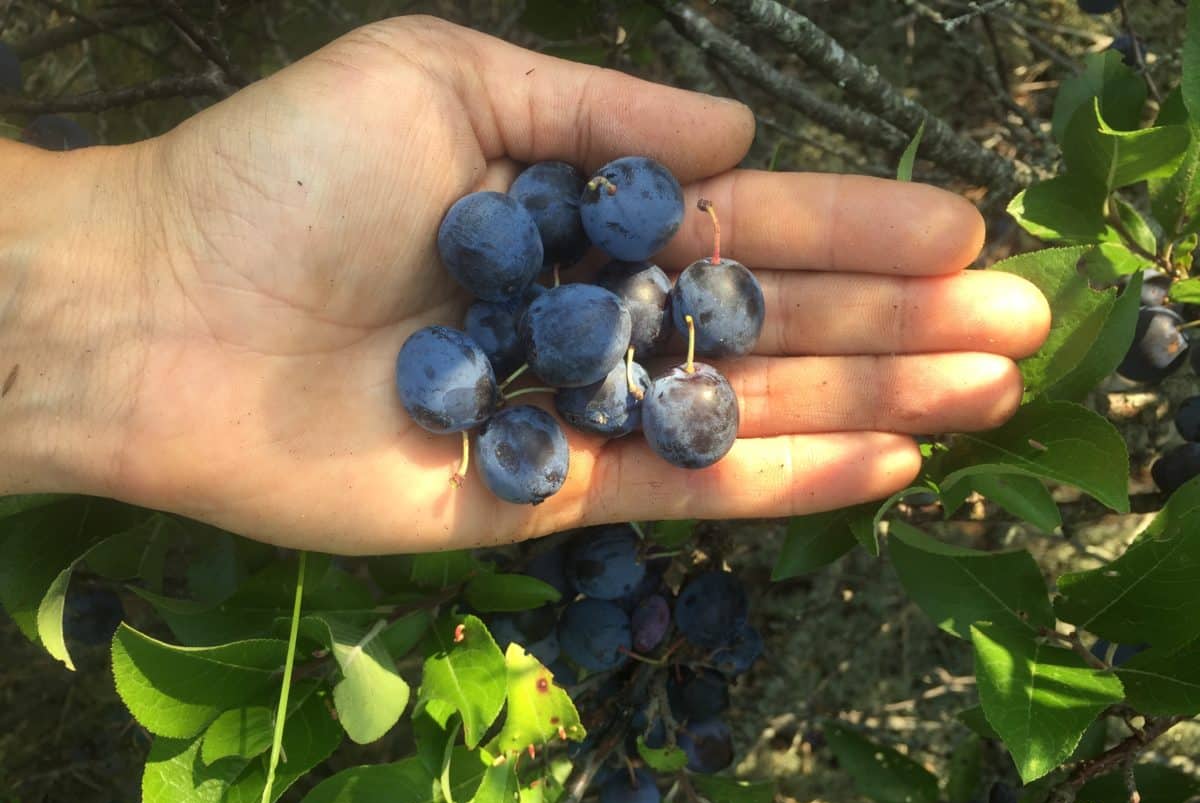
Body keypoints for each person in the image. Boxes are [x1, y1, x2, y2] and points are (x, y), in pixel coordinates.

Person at [0, 16, 1049, 555]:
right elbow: (566, 329)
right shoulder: (563, 308)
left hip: (549, 346)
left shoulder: (594, 313)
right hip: (538, 344)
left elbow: (586, 337)